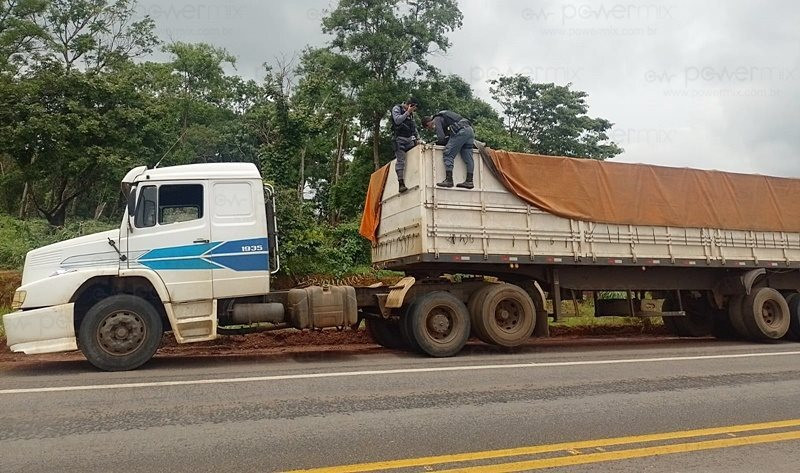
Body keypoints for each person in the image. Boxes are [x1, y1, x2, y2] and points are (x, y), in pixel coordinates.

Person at [421, 111, 475, 189]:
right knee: (467, 156)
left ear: (428, 123)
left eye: (428, 127)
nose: (430, 129)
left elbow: (441, 138)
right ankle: (469, 181)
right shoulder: (445, 118)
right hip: (469, 131)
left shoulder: (436, 119)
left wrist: (436, 143)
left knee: (447, 153)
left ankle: (449, 180)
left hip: (461, 131)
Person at [390, 98, 420, 193]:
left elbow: (414, 127)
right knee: (401, 161)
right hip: (400, 139)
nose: (413, 110)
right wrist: (407, 112)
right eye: (412, 107)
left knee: (417, 154)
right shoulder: (397, 108)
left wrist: (418, 138)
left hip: (409, 139)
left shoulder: (411, 114)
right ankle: (401, 183)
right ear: (408, 105)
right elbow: (397, 120)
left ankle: (416, 176)